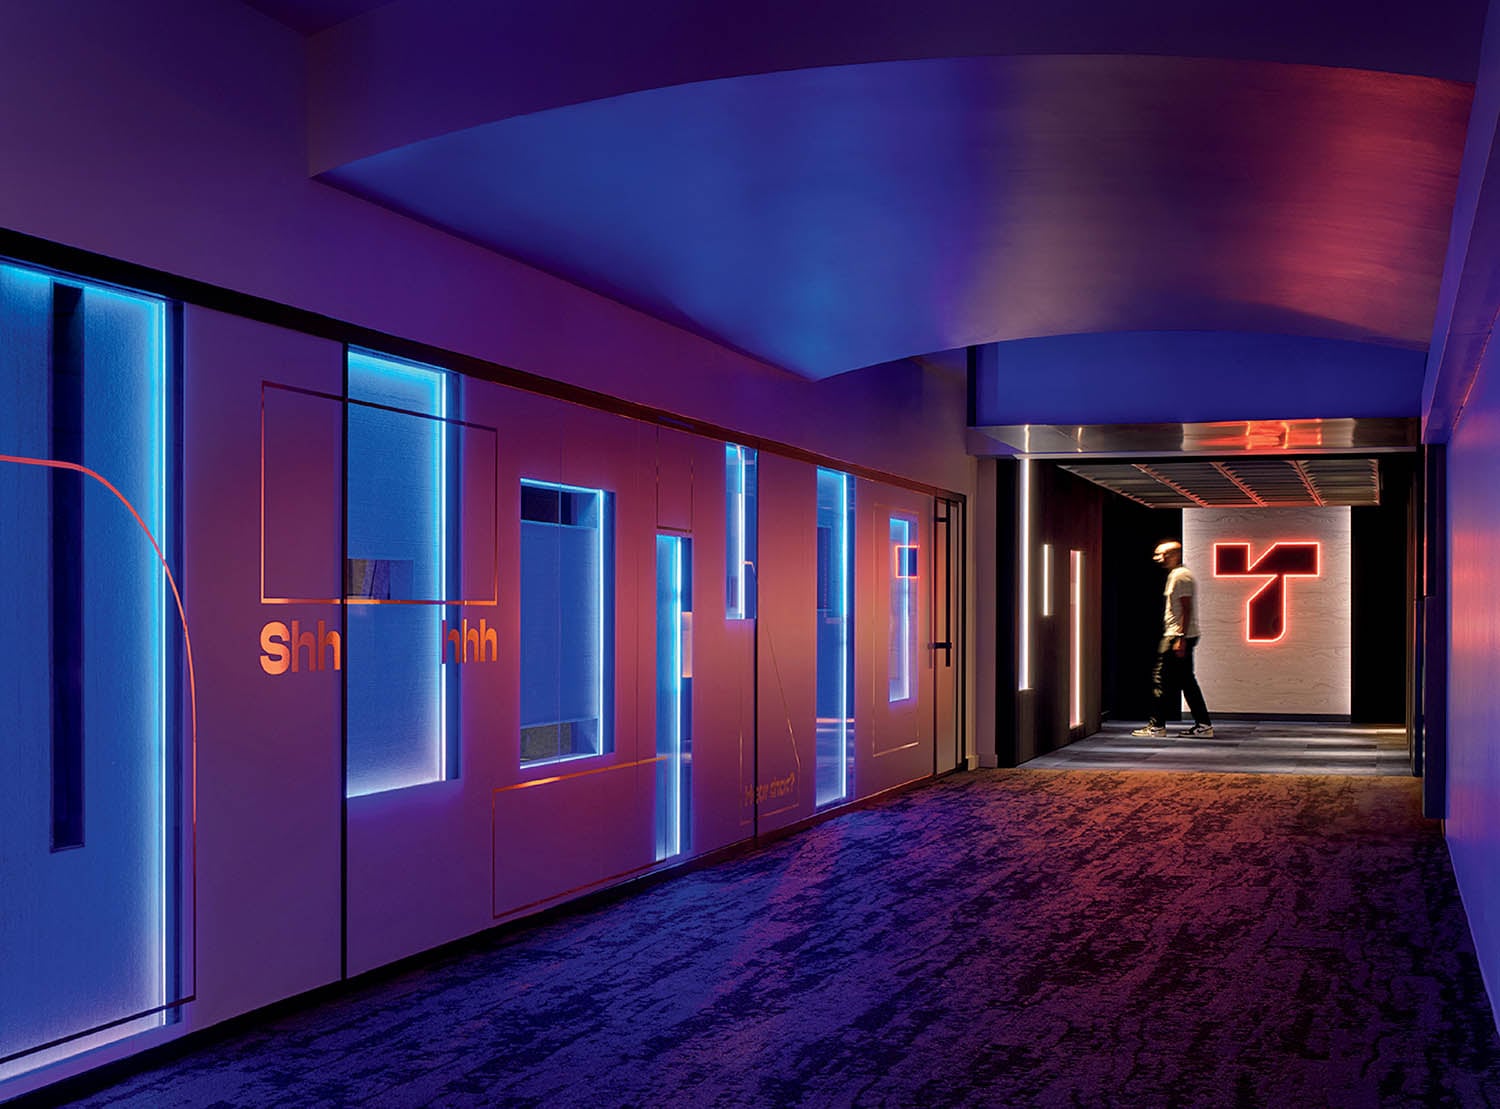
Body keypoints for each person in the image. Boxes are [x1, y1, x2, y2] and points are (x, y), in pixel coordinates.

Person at [1132, 539, 1214, 738]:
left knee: (1160, 679)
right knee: (1186, 680)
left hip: (1175, 636)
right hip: (1179, 635)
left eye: (1163, 554)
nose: (1158, 558)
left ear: (1175, 555)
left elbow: (1186, 608)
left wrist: (1180, 638)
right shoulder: (1178, 575)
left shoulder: (1180, 577)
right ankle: (1203, 725)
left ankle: (1157, 726)